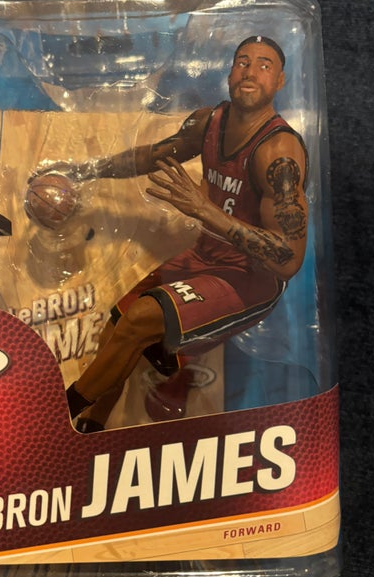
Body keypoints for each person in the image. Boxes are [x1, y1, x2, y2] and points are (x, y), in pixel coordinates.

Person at [56, 36, 308, 430]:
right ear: (230, 73)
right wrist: (88, 170)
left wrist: (205, 210)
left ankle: (56, 413)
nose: (249, 71)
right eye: (242, 61)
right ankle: (93, 426)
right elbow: (152, 155)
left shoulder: (278, 153)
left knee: (140, 319)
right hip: (206, 256)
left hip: (252, 277)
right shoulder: (209, 121)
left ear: (280, 81)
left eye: (264, 65)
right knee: (117, 323)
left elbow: (288, 259)